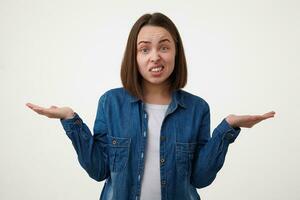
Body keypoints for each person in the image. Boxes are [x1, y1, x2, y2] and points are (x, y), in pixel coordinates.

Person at [26, 12, 275, 200]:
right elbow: (99, 170)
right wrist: (71, 120)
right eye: (144, 49)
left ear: (176, 53)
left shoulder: (197, 108)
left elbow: (201, 178)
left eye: (164, 47)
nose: (155, 56)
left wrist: (227, 129)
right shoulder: (111, 103)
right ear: (134, 56)